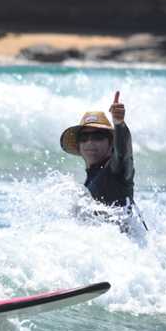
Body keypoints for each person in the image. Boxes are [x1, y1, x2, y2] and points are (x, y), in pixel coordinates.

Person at [60, 92, 146, 229]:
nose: (90, 142)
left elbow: (124, 154)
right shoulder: (88, 182)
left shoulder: (116, 171)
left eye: (98, 136)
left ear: (111, 143)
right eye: (84, 138)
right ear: (78, 146)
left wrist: (119, 124)